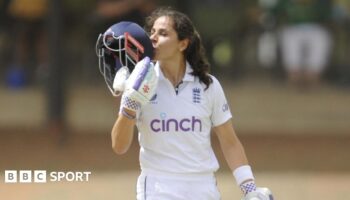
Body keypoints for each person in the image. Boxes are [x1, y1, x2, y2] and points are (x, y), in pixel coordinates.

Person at [104, 7, 273, 200]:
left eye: (163, 33)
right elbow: (119, 146)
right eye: (151, 32)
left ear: (183, 44)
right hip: (158, 187)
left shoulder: (208, 85)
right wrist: (130, 104)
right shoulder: (138, 82)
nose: (152, 38)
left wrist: (249, 188)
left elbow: (230, 142)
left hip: (203, 187)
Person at [271, 0, 333, 89]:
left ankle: (313, 74)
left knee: (322, 39)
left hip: (316, 28)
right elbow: (275, 12)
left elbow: (327, 14)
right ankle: (294, 73)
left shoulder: (322, 2)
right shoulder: (285, 2)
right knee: (289, 40)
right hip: (292, 27)